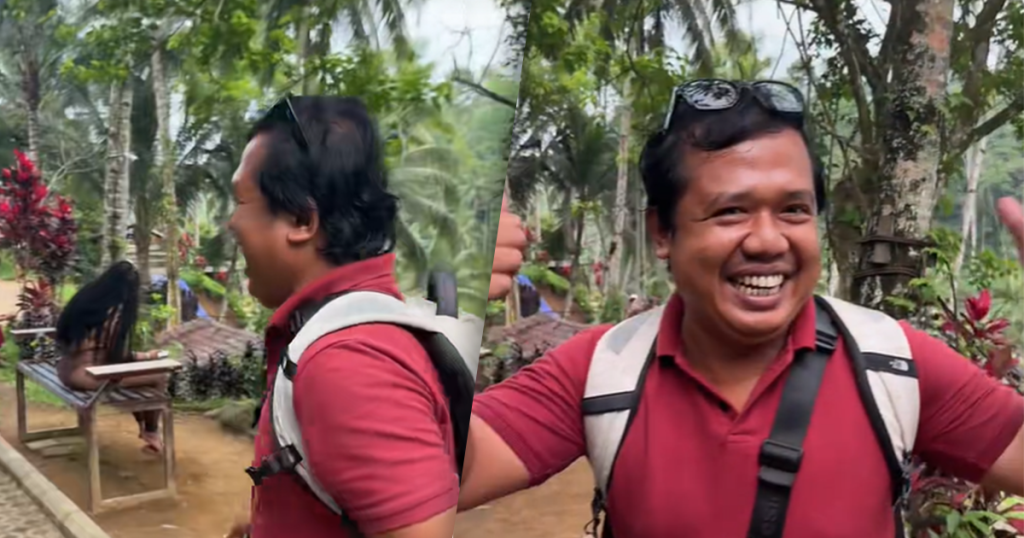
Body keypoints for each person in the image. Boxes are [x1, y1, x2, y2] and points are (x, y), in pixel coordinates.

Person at [466, 79, 1024, 538]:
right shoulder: (604, 369)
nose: (767, 240)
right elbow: (438, 473)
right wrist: (442, 308)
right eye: (730, 211)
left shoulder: (890, 362)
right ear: (662, 232)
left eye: (794, 210)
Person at [225, 95, 459, 538]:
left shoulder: (347, 361)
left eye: (241, 201)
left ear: (301, 219)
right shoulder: (331, 332)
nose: (232, 223)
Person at [55, 261, 168, 454]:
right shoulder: (114, 312)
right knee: (159, 376)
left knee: (139, 375)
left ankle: (144, 425)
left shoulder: (85, 297)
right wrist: (146, 358)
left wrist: (145, 356)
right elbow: (116, 358)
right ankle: (150, 431)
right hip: (87, 375)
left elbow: (96, 350)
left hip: (64, 369)